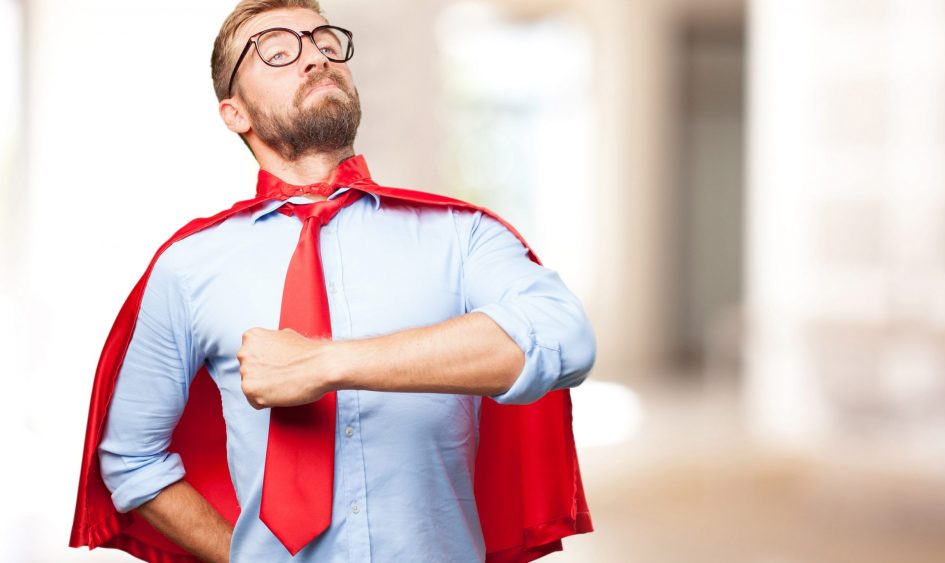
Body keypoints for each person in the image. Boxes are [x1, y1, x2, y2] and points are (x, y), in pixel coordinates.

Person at [68, 1, 596, 562]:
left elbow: (564, 338)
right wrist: (245, 556)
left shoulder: (460, 236)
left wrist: (325, 363)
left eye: (324, 42)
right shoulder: (188, 266)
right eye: (277, 51)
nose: (315, 58)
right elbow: (130, 458)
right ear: (234, 113)